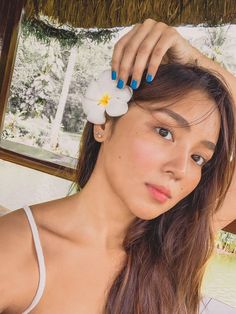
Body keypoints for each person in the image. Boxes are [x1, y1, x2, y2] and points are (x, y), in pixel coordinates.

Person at [0, 19, 235, 314]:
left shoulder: (177, 245)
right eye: (165, 132)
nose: (181, 169)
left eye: (198, 158)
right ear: (104, 124)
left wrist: (193, 59)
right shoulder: (17, 251)